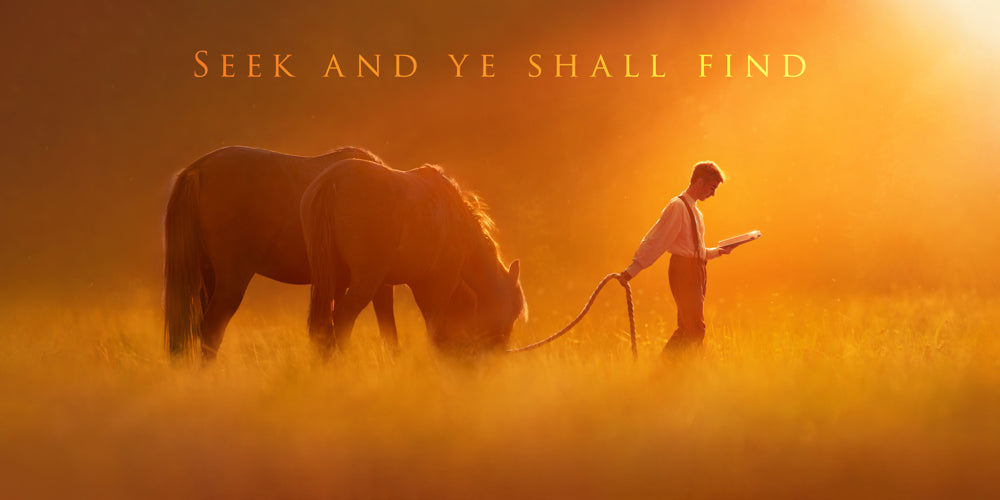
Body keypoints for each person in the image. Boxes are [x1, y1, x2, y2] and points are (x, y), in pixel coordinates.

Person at [618, 161, 733, 357]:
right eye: (712, 187)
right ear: (698, 181)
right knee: (695, 329)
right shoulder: (677, 206)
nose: (713, 193)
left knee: (688, 328)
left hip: (697, 270)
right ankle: (667, 371)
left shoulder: (696, 212)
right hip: (684, 271)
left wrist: (718, 251)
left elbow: (694, 249)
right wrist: (632, 270)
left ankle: (674, 374)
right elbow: (657, 240)